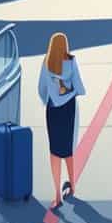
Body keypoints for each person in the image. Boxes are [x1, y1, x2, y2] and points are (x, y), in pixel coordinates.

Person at [38, 32, 86, 210]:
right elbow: (80, 87)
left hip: (53, 110)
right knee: (68, 149)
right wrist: (70, 92)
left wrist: (49, 98)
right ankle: (72, 185)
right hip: (68, 110)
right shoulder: (71, 61)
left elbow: (41, 88)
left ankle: (57, 195)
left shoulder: (47, 61)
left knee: (55, 151)